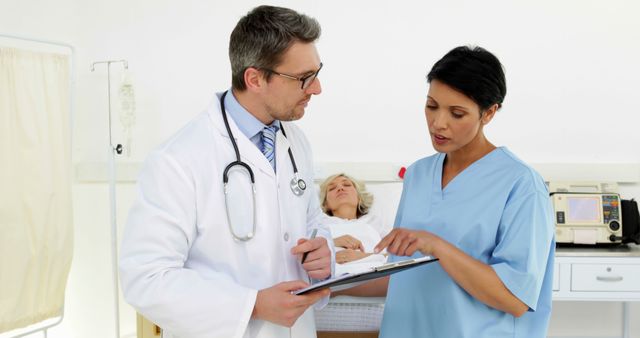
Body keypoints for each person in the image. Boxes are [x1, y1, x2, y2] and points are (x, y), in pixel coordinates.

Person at [119, 6, 335, 338]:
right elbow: (145, 279)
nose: (317, 88)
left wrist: (324, 251)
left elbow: (311, 221)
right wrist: (253, 304)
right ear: (255, 79)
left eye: (316, 72)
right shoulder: (178, 160)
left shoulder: (296, 142)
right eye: (304, 78)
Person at [352, 46, 555, 337]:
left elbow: (516, 297)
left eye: (457, 113)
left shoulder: (521, 185)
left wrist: (437, 246)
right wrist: (328, 288)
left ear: (489, 113)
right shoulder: (419, 174)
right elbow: (405, 276)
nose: (438, 123)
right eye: (431, 106)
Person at [318, 173, 386, 267]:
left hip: (379, 274)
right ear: (326, 204)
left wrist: (362, 257)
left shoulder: (373, 222)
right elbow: (306, 255)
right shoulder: (319, 223)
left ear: (359, 197)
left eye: (347, 185)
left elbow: (395, 258)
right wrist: (332, 242)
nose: (340, 188)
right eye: (332, 188)